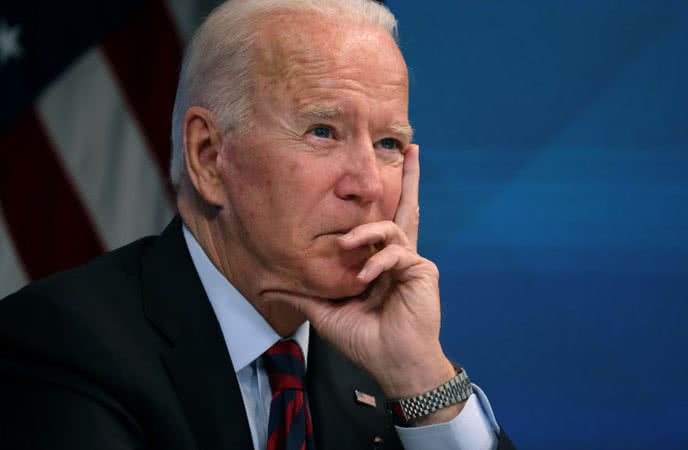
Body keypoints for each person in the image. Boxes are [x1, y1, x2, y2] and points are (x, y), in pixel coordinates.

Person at [0, 1, 515, 449]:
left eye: (388, 145)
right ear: (208, 157)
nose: (368, 185)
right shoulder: (65, 344)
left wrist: (421, 378)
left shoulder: (384, 362)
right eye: (323, 131)